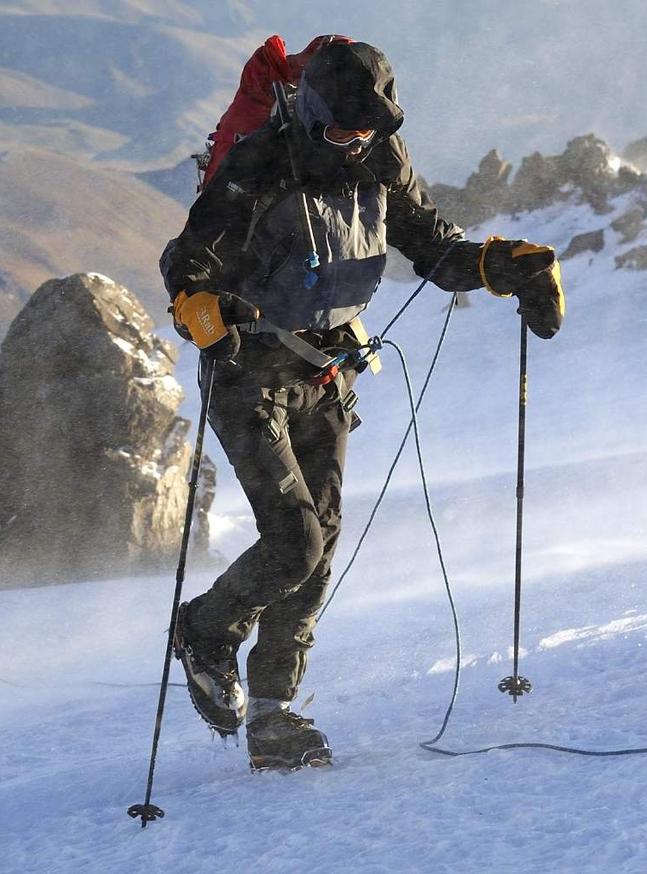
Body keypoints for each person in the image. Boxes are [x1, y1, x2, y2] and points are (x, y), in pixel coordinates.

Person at [161, 40, 564, 770]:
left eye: (369, 129)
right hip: (248, 369)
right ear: (312, 110)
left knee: (319, 552)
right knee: (295, 541)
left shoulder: (382, 156)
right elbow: (188, 258)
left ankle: (275, 721)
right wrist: (199, 307)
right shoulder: (260, 162)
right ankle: (205, 628)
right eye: (344, 128)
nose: (357, 142)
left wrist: (507, 267)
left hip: (326, 373)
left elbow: (433, 250)